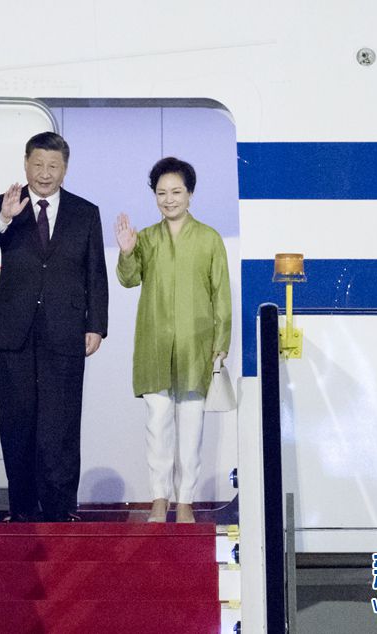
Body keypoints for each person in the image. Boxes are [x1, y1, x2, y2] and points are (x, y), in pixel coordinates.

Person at [0, 132, 108, 522]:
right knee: (16, 421)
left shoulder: (85, 212)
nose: (45, 173)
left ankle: (61, 509)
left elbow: (95, 273)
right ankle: (23, 509)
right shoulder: (5, 204)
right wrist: (3, 219)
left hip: (65, 331)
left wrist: (96, 324)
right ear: (25, 164)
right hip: (14, 332)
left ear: (65, 168)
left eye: (53, 166)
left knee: (61, 423)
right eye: (38, 165)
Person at [114, 157, 231, 523]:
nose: (169, 199)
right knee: (157, 426)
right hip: (154, 345)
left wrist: (221, 342)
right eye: (161, 193)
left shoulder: (210, 238)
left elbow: (221, 295)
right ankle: (159, 498)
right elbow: (128, 279)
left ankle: (185, 502)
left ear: (190, 194)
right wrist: (127, 251)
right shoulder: (147, 238)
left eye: (176, 192)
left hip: (197, 347)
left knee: (192, 428)